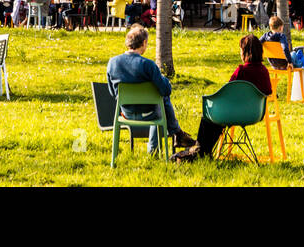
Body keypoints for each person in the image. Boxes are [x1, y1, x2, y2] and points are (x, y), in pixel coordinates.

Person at [174, 33, 273, 161]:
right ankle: (201, 152)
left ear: (245, 52)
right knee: (215, 121)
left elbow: (228, 90)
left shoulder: (241, 71)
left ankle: (200, 152)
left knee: (209, 118)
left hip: (233, 112)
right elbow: (268, 91)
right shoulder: (264, 71)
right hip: (254, 113)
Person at [105, 25, 196, 154]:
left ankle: (176, 135)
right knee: (162, 102)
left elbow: (113, 92)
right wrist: (164, 79)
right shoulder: (148, 65)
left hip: (126, 112)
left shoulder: (112, 62)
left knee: (162, 102)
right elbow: (166, 90)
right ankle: (169, 139)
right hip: (149, 113)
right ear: (144, 43)